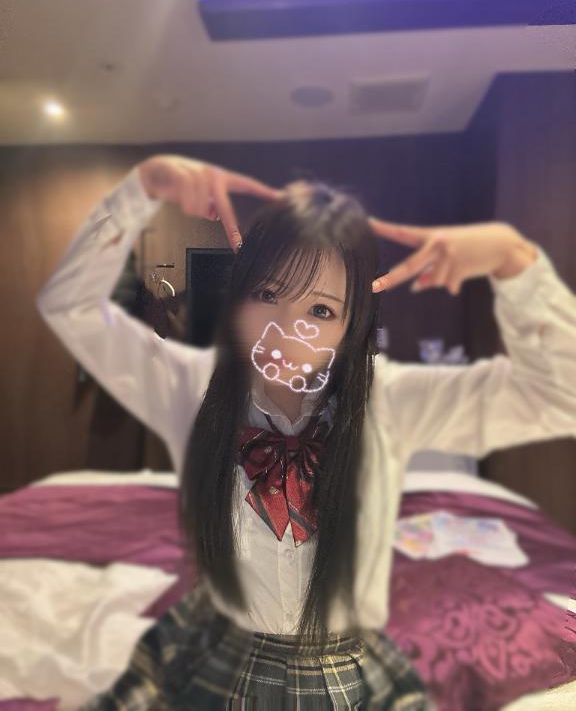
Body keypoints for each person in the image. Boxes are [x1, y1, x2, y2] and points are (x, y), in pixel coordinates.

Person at [36, 155, 576, 709]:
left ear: (350, 324)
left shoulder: (390, 402)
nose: (285, 331)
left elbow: (561, 395)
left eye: (320, 310)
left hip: (348, 669)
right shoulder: (190, 389)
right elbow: (71, 308)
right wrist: (141, 191)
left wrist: (516, 263)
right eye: (268, 295)